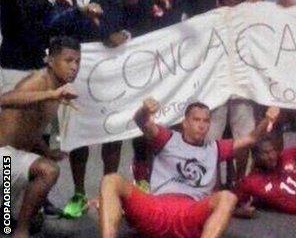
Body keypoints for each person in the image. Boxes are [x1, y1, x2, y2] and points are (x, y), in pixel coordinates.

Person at [99, 99, 280, 238]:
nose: (201, 125)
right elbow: (141, 121)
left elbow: (252, 138)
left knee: (228, 197)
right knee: (111, 180)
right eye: (196, 120)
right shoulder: (167, 138)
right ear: (185, 122)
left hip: (189, 214)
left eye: (206, 121)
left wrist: (267, 119)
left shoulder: (215, 147)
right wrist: (144, 110)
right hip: (156, 209)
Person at [47, 0, 130, 219]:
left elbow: (114, 31)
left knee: (113, 133)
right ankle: (79, 192)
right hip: (78, 71)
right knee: (80, 134)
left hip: (110, 73)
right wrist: (81, 13)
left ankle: (108, 190)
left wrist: (113, 31)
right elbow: (54, 26)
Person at [0, 36, 81, 238]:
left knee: (22, 217)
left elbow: (28, 128)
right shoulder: (39, 81)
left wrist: (47, 152)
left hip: (11, 158)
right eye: (68, 60)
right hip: (4, 156)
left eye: (78, 61)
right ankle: (21, 232)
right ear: (51, 62)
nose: (74, 67)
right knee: (48, 171)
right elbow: (5, 100)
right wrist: (51, 95)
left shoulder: (55, 87)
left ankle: (9, 216)